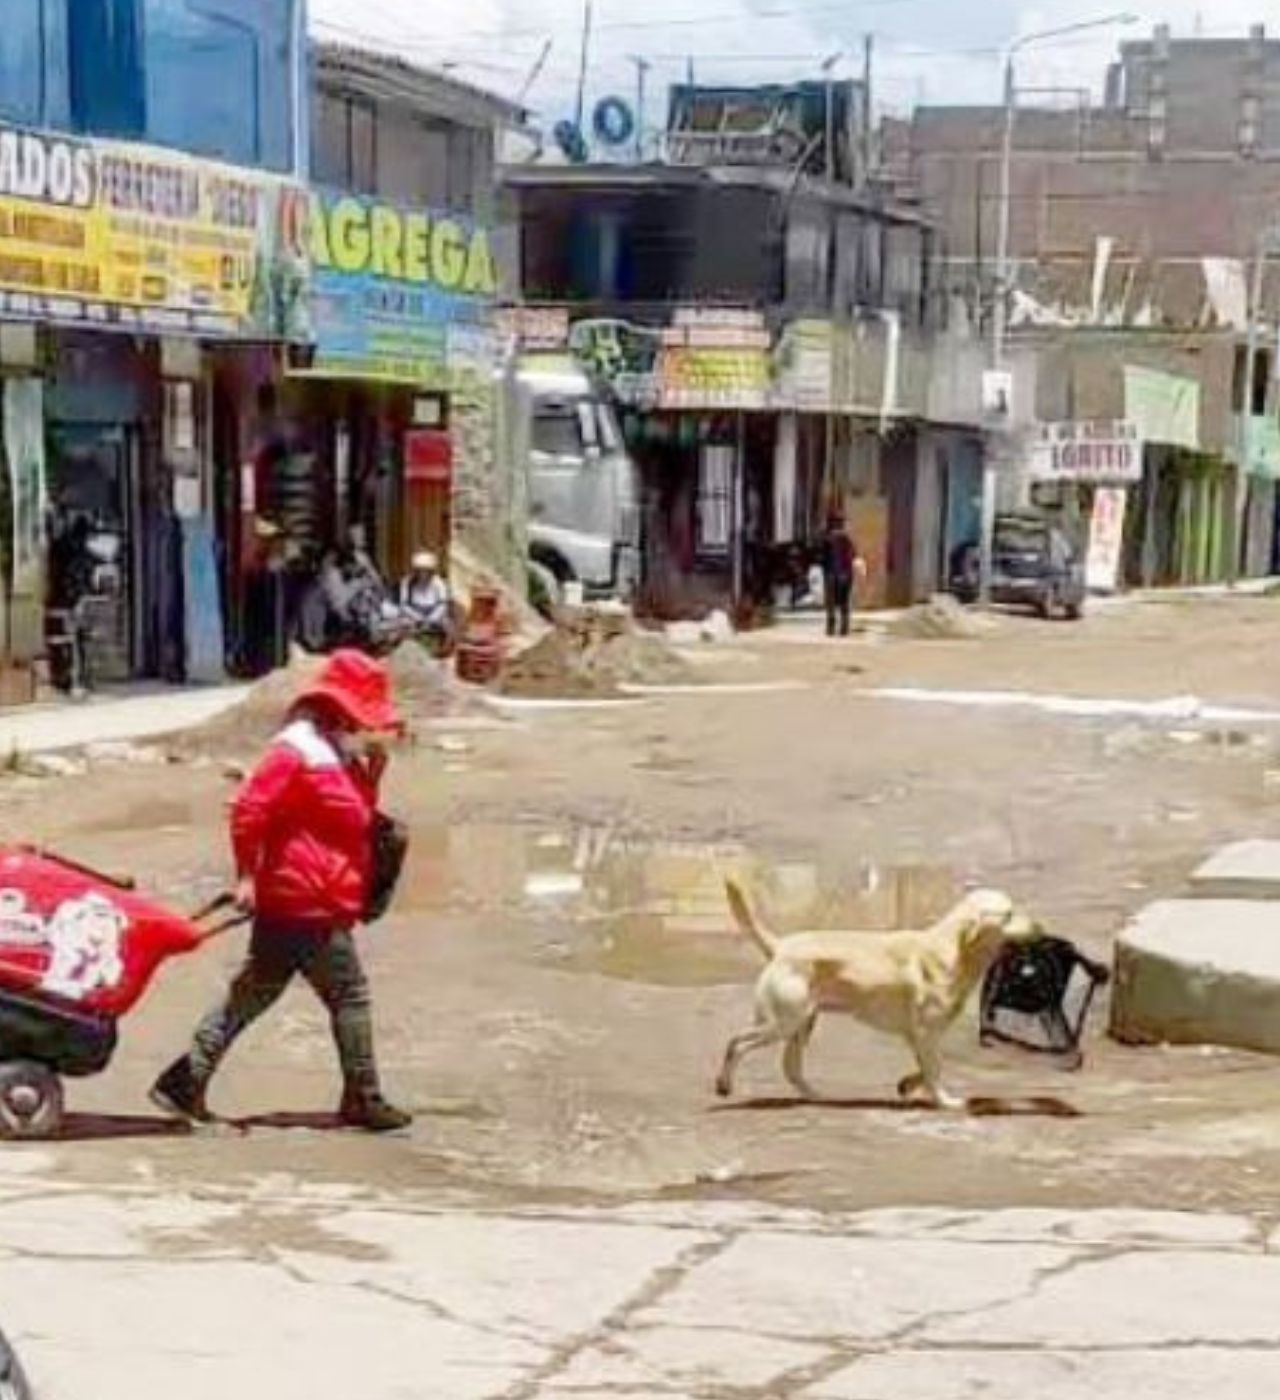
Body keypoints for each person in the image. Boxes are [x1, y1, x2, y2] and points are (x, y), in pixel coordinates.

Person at [150, 649, 412, 1133]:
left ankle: (183, 1082)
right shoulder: (296, 751)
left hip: (308, 899)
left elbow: (355, 821)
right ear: (340, 710)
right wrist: (246, 876)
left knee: (251, 994)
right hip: (305, 899)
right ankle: (364, 1097)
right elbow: (251, 810)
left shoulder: (337, 754)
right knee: (350, 996)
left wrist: (373, 774)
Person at [820, 513, 863, 638]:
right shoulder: (847, 539)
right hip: (845, 575)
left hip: (831, 575)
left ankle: (831, 628)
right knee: (844, 602)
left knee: (831, 603)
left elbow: (821, 557)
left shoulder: (826, 538)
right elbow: (854, 555)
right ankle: (844, 629)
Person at [399, 550, 453, 648]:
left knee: (447, 626)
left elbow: (442, 605)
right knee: (402, 625)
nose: (423, 573)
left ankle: (441, 649)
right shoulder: (407, 582)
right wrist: (417, 618)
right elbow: (404, 605)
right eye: (420, 570)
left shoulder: (439, 583)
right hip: (413, 614)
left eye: (426, 570)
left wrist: (432, 619)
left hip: (434, 614)